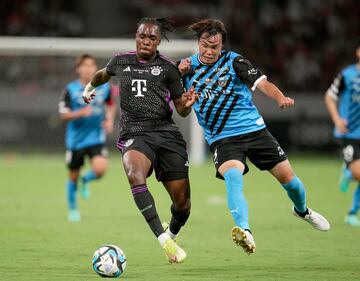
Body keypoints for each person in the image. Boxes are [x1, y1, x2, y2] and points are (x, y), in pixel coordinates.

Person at [179, 19, 330, 255]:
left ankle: (302, 211)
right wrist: (186, 103)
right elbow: (182, 108)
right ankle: (244, 231)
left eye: (214, 47)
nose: (209, 51)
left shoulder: (234, 61)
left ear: (222, 46)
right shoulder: (185, 69)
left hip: (254, 131)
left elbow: (262, 83)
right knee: (233, 177)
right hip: (222, 138)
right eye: (204, 45)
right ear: (198, 43)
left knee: (291, 182)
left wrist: (280, 98)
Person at [82, 17, 197, 263]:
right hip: (135, 133)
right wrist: (89, 88)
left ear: (158, 42)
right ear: (136, 37)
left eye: (152, 38)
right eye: (142, 36)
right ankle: (162, 240)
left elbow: (181, 108)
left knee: (183, 204)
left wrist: (187, 106)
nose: (146, 41)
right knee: (134, 174)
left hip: (166, 134)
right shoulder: (120, 61)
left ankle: (173, 232)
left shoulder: (168, 69)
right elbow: (103, 74)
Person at [58, 54, 116, 222]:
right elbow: (63, 114)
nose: (89, 69)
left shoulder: (103, 86)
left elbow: (110, 104)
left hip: (96, 137)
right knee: (72, 176)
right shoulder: (70, 89)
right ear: (78, 69)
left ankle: (86, 179)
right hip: (75, 140)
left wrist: (109, 120)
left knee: (100, 170)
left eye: (92, 65)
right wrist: (80, 113)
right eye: (85, 65)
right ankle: (73, 208)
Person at [325, 42, 360, 226]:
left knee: (357, 174)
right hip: (350, 134)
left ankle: (348, 173)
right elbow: (329, 96)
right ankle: (352, 214)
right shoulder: (347, 75)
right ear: (358, 52)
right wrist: (337, 119)